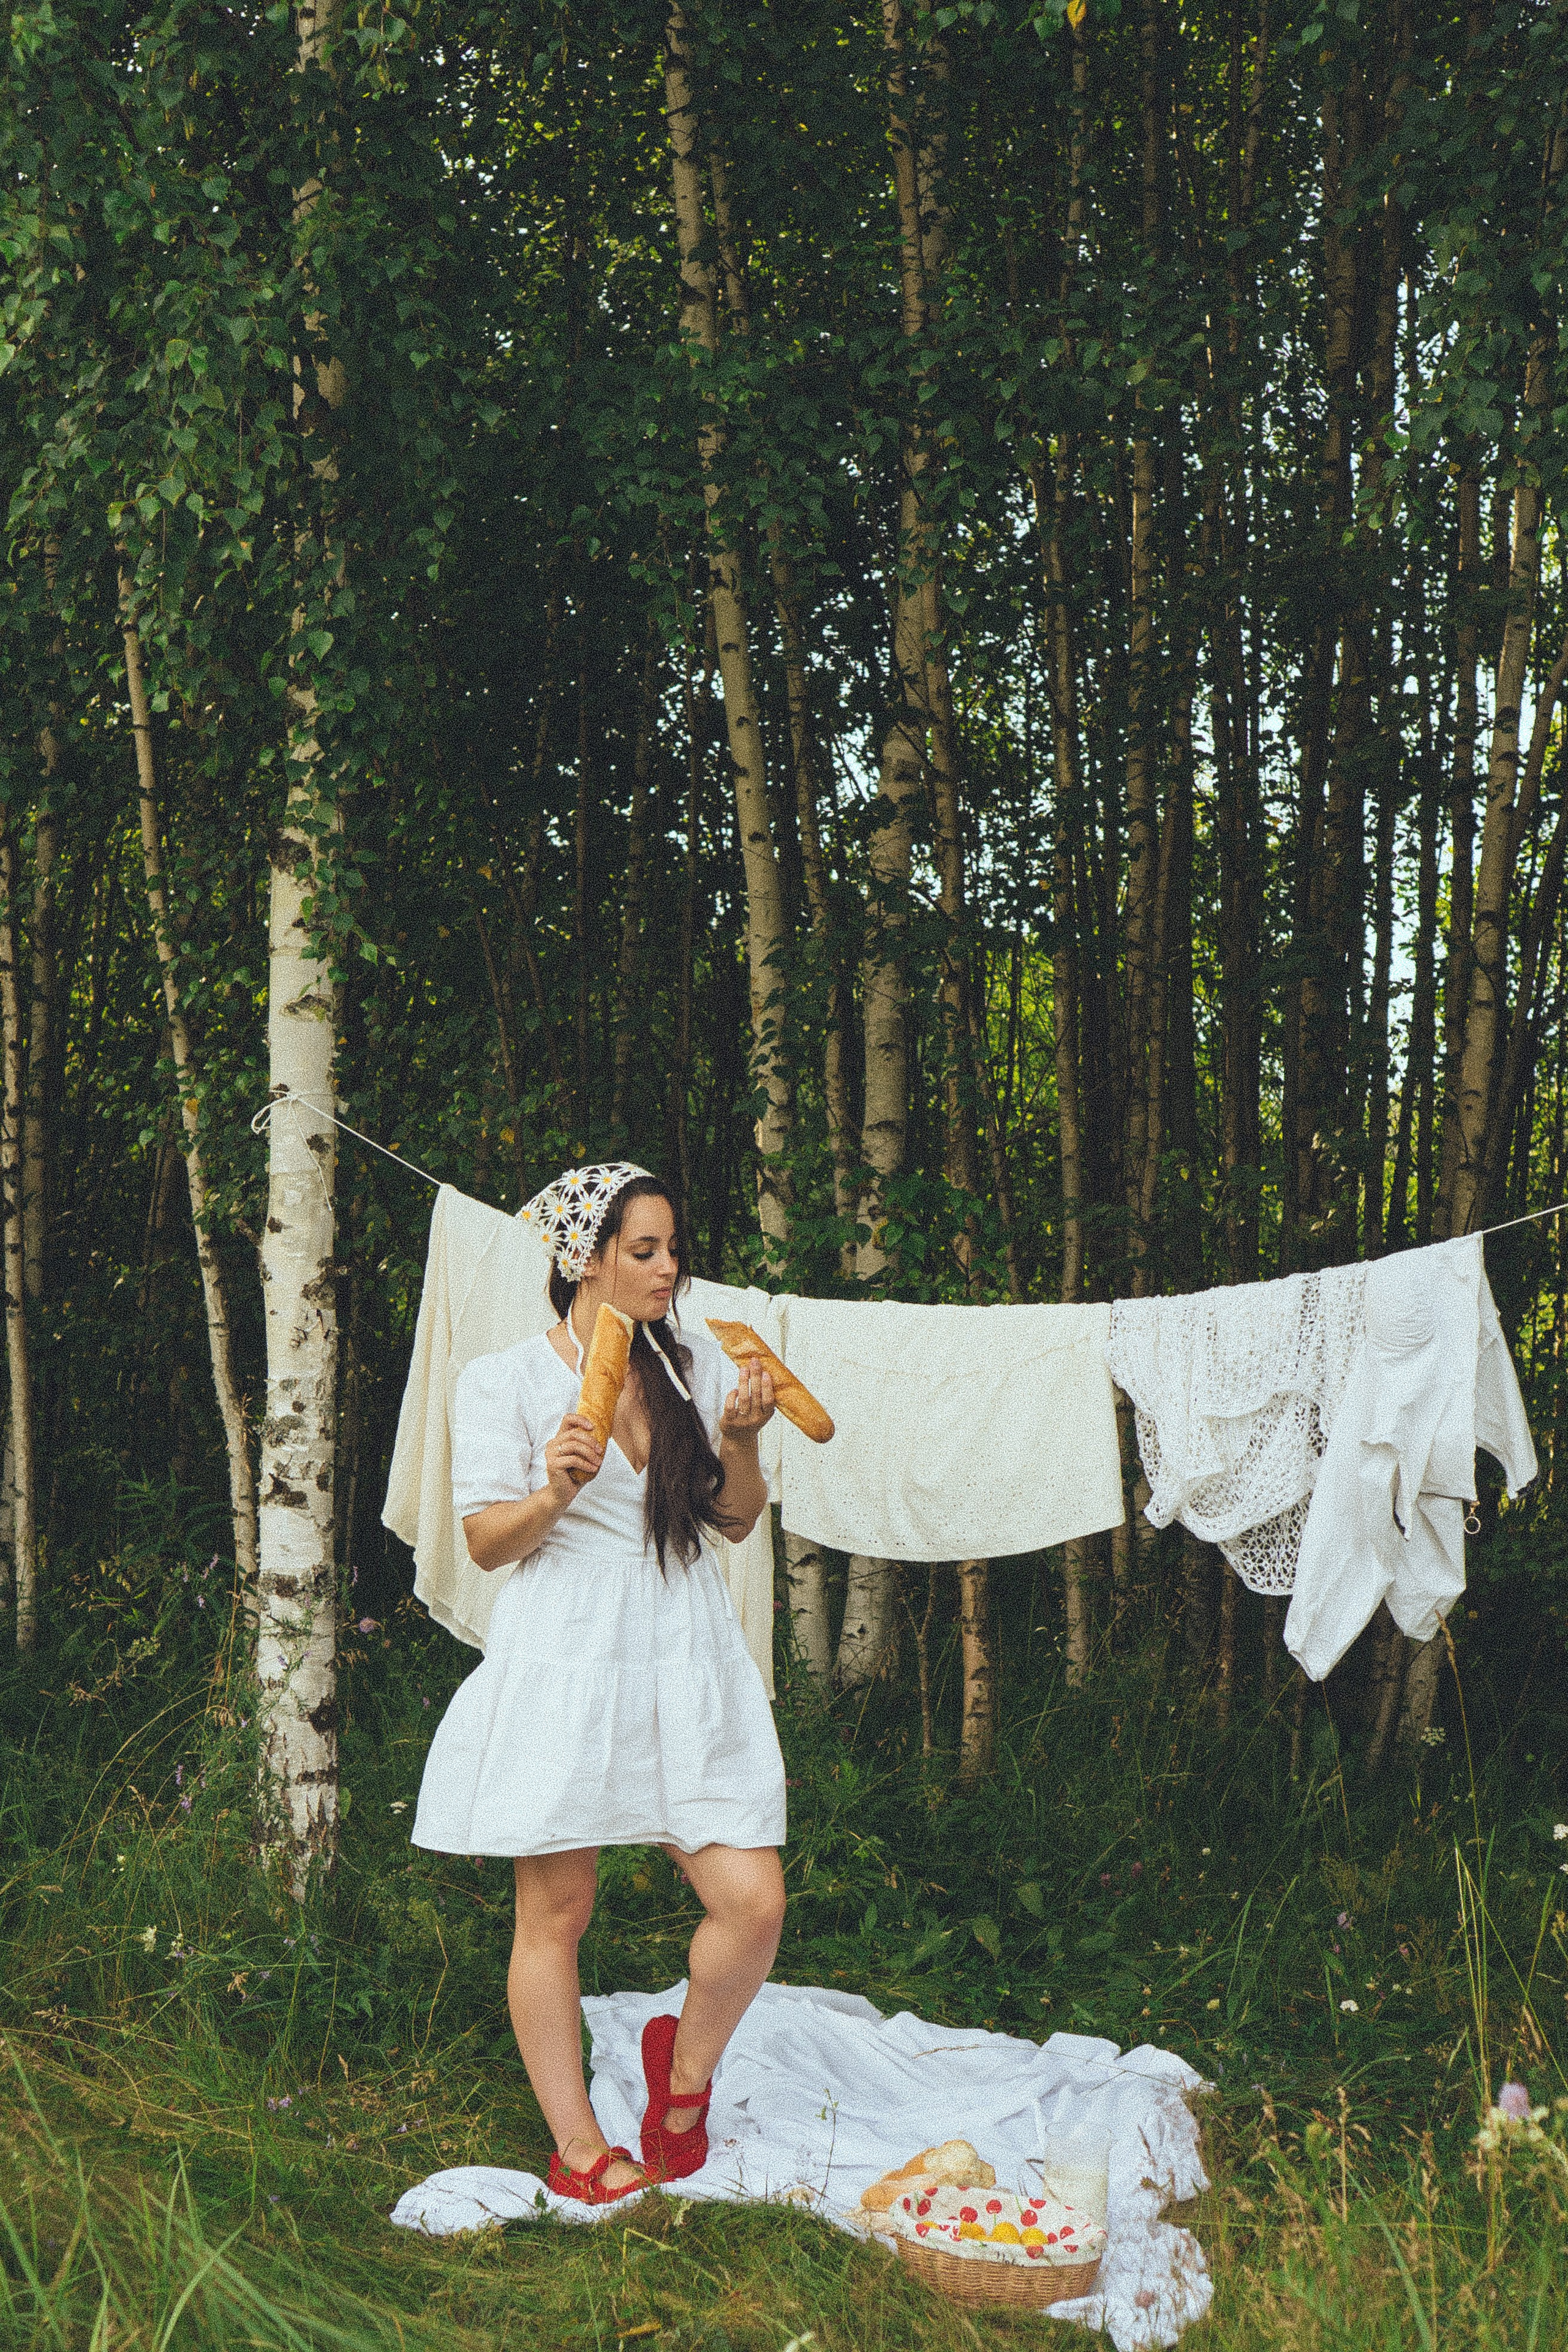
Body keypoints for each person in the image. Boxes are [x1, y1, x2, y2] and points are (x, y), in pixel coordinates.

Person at [411, 1163, 787, 2203]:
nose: (670, 1271)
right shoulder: (506, 1382)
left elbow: (736, 1518)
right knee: (558, 1912)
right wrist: (556, 1489)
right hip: (568, 1654)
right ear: (585, 1260)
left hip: (684, 1648)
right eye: (645, 1252)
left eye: (674, 1250)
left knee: (751, 1902)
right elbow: (489, 1545)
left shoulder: (696, 1366)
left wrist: (743, 1440)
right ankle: (578, 2145)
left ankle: (684, 2079)